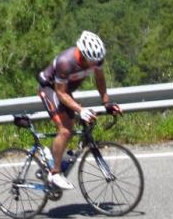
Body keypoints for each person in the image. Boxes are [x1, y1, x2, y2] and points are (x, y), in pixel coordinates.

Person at [37, 31, 122, 190]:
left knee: (79, 123)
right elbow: (60, 93)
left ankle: (52, 154)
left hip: (64, 91)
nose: (95, 64)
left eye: (97, 61)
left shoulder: (96, 60)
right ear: (82, 54)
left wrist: (107, 102)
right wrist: (80, 109)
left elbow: (100, 78)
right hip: (50, 89)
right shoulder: (66, 62)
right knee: (65, 130)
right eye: (91, 61)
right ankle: (54, 172)